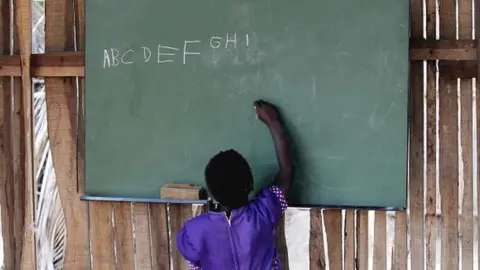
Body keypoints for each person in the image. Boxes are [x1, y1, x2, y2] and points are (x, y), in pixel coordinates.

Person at [176, 100, 294, 270]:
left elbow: (197, 265)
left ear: (211, 192)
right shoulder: (264, 212)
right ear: (250, 184)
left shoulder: (192, 232)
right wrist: (273, 122)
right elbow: (287, 173)